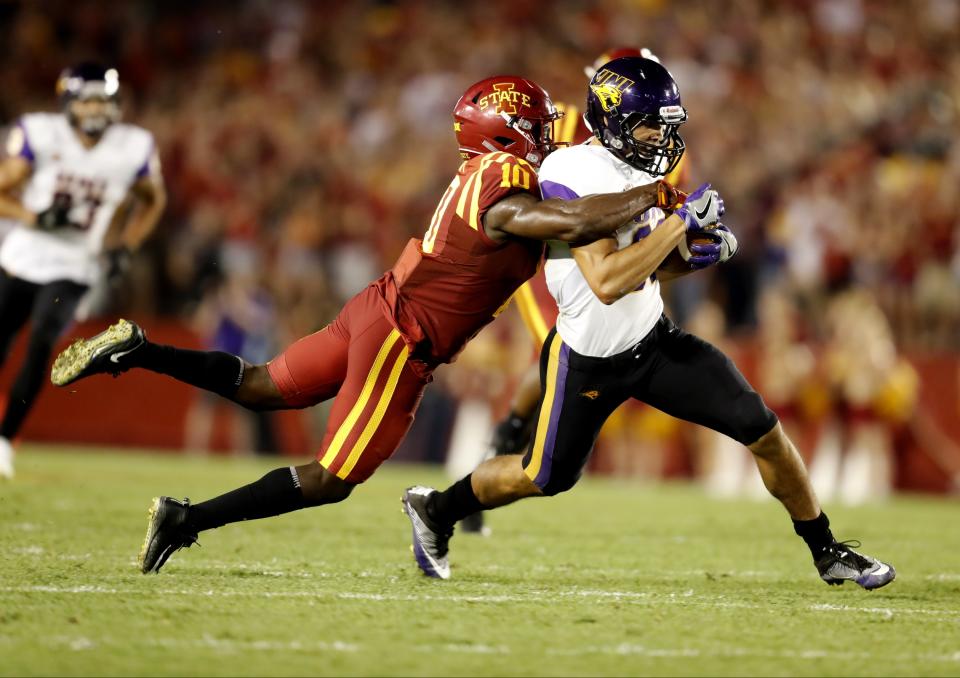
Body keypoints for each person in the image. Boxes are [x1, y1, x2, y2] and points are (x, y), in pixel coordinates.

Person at [50, 74, 700, 574]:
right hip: (403, 338)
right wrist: (652, 196)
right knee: (333, 479)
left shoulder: (484, 171)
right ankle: (185, 519)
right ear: (507, 131)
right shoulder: (505, 177)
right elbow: (566, 224)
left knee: (258, 387)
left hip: (377, 308)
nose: (548, 128)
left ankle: (138, 350)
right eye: (534, 120)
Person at [402, 57, 896, 591]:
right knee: (540, 476)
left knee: (762, 429)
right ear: (612, 121)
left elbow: (650, 264)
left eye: (667, 125)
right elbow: (608, 280)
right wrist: (681, 221)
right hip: (587, 359)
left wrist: (700, 253)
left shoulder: (638, 168)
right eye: (650, 124)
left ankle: (827, 551)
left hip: (653, 343)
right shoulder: (570, 173)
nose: (661, 137)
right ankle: (437, 510)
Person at [0, 62, 166, 479]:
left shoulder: (132, 146)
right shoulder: (41, 133)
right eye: (88, 99)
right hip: (21, 256)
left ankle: (4, 441)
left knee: (40, 342)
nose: (96, 109)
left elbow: (153, 199)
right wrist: (33, 216)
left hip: (76, 265)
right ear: (69, 102)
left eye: (103, 100)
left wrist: (126, 246)